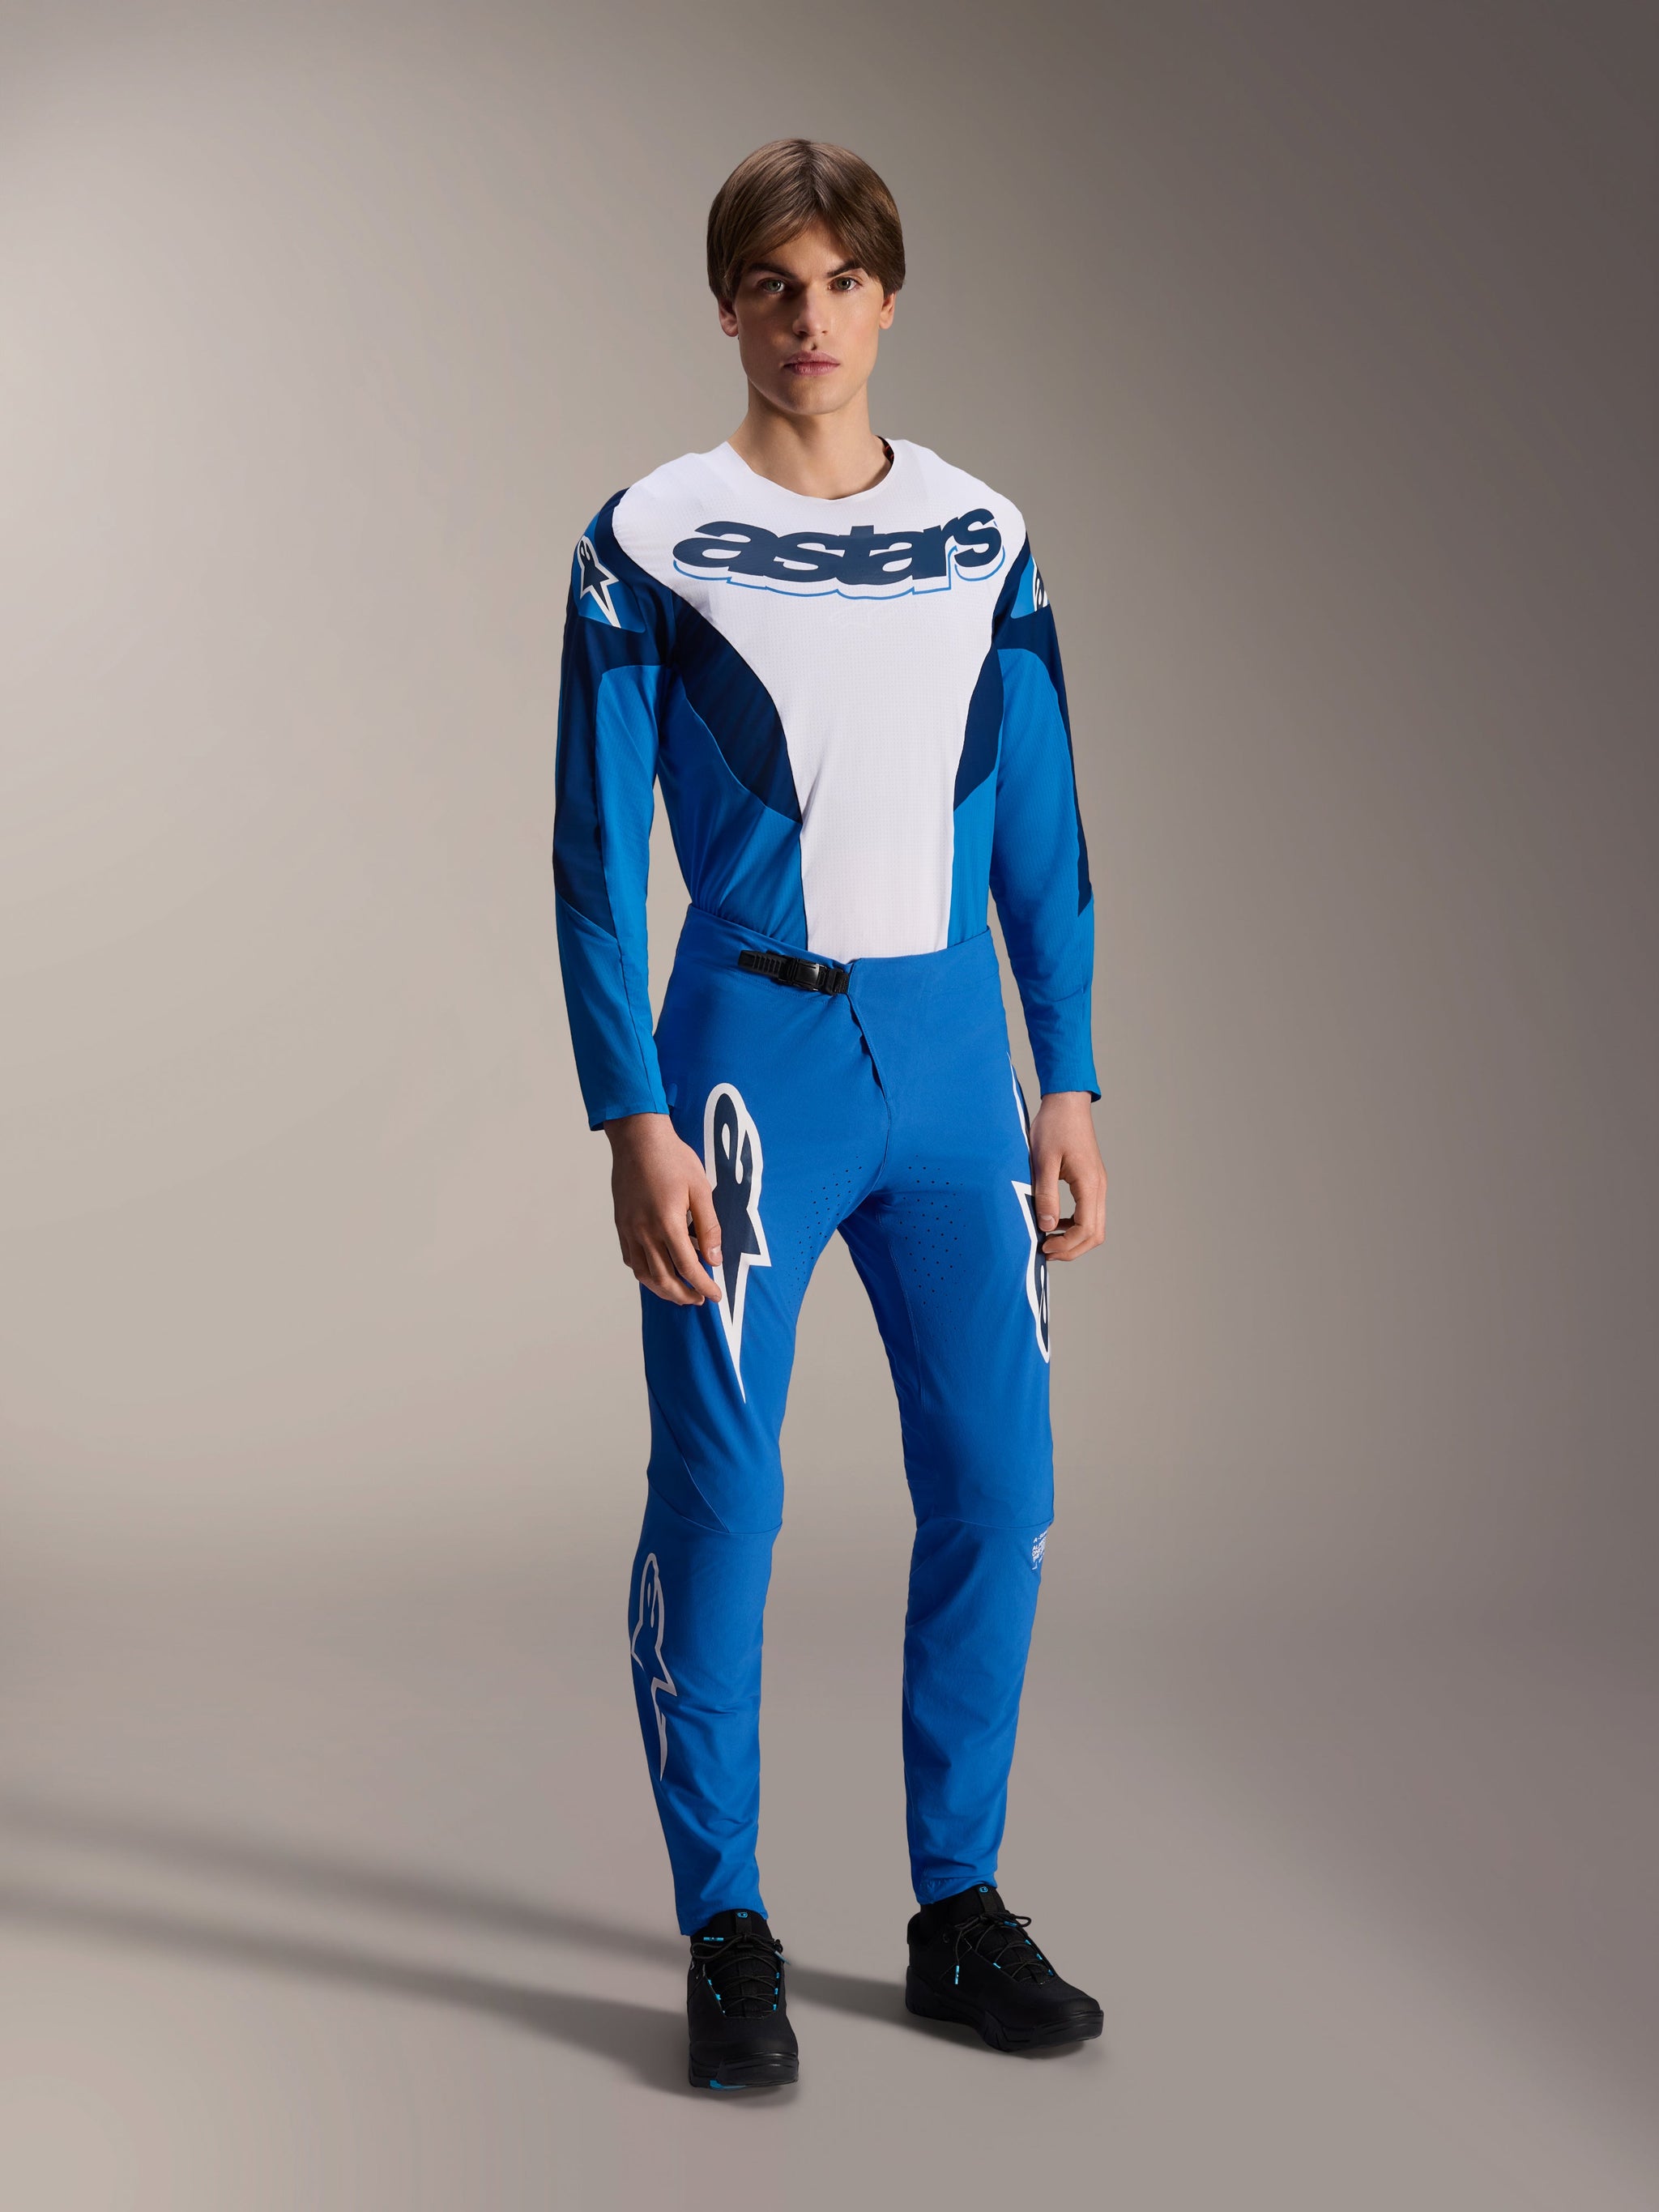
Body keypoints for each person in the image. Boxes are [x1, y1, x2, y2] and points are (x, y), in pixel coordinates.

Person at [552, 139, 1107, 2091]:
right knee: (727, 1496)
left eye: (842, 282)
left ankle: (957, 1910)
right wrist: (626, 1109)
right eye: (774, 284)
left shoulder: (984, 530)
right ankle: (727, 1927)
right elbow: (592, 860)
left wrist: (1070, 1076)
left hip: (955, 1068)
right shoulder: (649, 534)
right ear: (728, 305)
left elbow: (1040, 831)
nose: (810, 318)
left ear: (888, 299)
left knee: (1001, 1490)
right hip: (743, 1068)